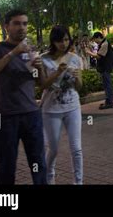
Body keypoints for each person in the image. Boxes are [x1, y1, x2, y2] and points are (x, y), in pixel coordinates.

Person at [0, 9, 47, 184]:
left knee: (38, 163)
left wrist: (39, 68)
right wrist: (13, 53)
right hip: (7, 116)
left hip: (32, 114)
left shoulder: (31, 50)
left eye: (25, 23)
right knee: (6, 165)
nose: (22, 28)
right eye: (16, 23)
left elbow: (43, 84)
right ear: (6, 26)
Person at [39, 26, 83, 185]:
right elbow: (43, 85)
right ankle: (49, 175)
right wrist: (57, 72)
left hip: (73, 107)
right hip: (51, 109)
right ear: (53, 41)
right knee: (54, 148)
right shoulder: (43, 59)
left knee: (76, 149)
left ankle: (78, 182)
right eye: (60, 40)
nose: (64, 43)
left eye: (66, 39)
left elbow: (79, 87)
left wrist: (78, 78)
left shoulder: (75, 58)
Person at [86, 32, 113, 109]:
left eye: (95, 39)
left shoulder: (104, 44)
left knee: (107, 85)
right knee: (106, 85)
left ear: (99, 37)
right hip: (105, 67)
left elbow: (99, 56)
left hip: (106, 67)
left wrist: (88, 52)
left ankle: (109, 102)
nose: (95, 41)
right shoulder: (103, 43)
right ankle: (108, 101)